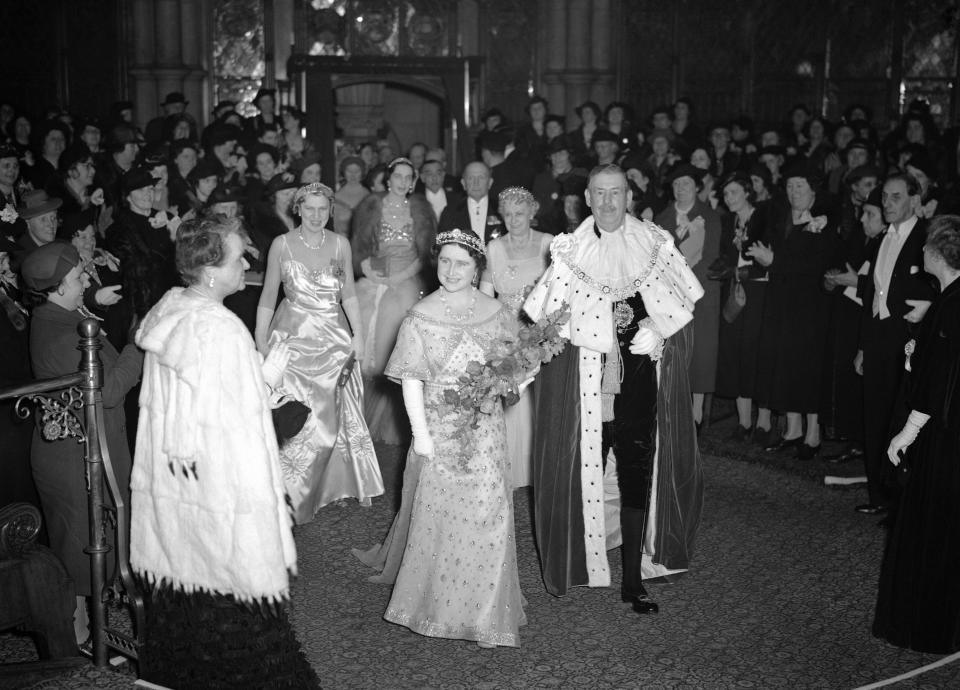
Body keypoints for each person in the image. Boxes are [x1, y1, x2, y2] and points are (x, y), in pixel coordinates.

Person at [130, 216, 318, 688]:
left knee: (189, 604)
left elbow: (201, 410)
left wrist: (263, 377)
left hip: (179, 489)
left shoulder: (173, 310)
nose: (248, 263)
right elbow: (235, 428)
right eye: (239, 257)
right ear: (211, 269)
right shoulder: (221, 330)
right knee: (241, 622)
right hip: (220, 498)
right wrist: (278, 407)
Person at [523, 164, 704, 613]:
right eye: (599, 194)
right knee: (587, 465)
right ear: (587, 197)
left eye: (616, 193)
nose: (607, 203)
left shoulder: (654, 243)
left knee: (637, 471)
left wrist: (662, 331)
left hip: (642, 382)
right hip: (586, 386)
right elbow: (547, 322)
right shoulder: (569, 251)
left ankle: (632, 579)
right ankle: (585, 561)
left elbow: (683, 308)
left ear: (629, 196)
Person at [358, 227, 526, 648]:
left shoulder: (496, 310)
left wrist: (518, 380)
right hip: (439, 432)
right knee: (443, 523)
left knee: (491, 515)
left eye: (462, 263)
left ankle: (487, 613)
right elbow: (411, 380)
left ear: (477, 268)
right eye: (445, 261)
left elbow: (512, 368)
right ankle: (438, 609)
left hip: (486, 430)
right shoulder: (421, 315)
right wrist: (421, 436)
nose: (451, 270)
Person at [22, 241, 142, 650]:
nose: (86, 281)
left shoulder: (62, 313)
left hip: (84, 444)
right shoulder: (58, 331)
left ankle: (90, 631)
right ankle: (76, 642)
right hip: (73, 454)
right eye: (78, 278)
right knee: (79, 547)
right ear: (56, 287)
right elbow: (108, 391)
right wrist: (136, 349)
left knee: (92, 539)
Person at [256, 183, 382, 523]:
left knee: (332, 415)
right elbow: (268, 295)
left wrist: (358, 335)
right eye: (309, 208)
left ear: (330, 211)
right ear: (298, 209)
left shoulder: (340, 244)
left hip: (333, 338)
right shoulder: (281, 245)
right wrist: (260, 338)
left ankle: (329, 485)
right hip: (292, 337)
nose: (315, 216)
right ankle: (292, 491)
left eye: (322, 209)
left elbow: (349, 295)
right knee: (298, 414)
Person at [873, 215, 960, 654]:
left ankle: (925, 626)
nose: (921, 250)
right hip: (947, 434)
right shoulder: (947, 299)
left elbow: (939, 379)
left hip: (942, 439)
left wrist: (905, 432)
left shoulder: (950, 304)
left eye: (927, 245)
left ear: (939, 254)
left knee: (932, 529)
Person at [853, 173, 935, 515]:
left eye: (896, 197)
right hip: (878, 338)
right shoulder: (881, 238)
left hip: (909, 338)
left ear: (914, 200)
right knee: (874, 415)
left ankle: (902, 499)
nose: (887, 204)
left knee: (902, 417)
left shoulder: (926, 237)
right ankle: (878, 494)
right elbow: (872, 292)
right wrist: (862, 345)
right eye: (885, 197)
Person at [351, 157, 436, 444]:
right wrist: (370, 273)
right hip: (374, 281)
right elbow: (359, 247)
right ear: (388, 179)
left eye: (407, 177)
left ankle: (395, 425)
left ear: (413, 182)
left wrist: (401, 278)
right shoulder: (371, 206)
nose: (402, 181)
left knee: (396, 351)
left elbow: (425, 253)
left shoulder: (421, 209)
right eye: (397, 176)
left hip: (406, 282)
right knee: (365, 351)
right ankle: (360, 420)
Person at [479, 187, 551, 489]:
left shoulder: (548, 243)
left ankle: (540, 468)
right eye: (507, 214)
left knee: (540, 402)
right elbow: (486, 292)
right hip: (506, 330)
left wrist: (546, 330)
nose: (513, 219)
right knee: (510, 398)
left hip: (542, 329)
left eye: (519, 213)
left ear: (532, 212)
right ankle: (507, 468)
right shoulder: (494, 248)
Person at [655, 163, 721, 430]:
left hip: (701, 294)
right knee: (674, 353)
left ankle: (696, 413)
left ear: (696, 187)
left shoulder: (710, 217)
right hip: (671, 295)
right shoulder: (662, 218)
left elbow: (711, 256)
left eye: (686, 183)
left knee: (702, 353)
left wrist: (687, 284)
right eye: (676, 184)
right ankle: (672, 408)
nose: (681, 189)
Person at [714, 173, 771, 441]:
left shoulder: (764, 217)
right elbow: (725, 255)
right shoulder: (729, 221)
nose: (729, 198)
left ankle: (764, 422)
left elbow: (771, 257)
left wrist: (741, 268)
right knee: (735, 350)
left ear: (747, 192)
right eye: (726, 194)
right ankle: (744, 420)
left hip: (759, 290)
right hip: (735, 289)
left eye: (734, 192)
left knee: (756, 351)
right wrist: (723, 267)